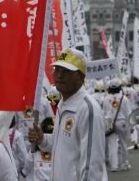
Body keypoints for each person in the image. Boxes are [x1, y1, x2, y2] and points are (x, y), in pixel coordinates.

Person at [28, 48, 108, 181]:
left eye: (67, 71)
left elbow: (92, 166)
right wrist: (42, 139)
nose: (59, 75)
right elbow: (60, 144)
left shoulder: (87, 109)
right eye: (57, 69)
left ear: (81, 77)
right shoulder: (63, 104)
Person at [102, 78, 132, 172]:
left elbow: (104, 112)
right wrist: (131, 125)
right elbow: (129, 113)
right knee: (123, 143)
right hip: (121, 121)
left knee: (112, 144)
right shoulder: (124, 98)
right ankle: (124, 164)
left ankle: (114, 166)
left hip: (109, 121)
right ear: (120, 87)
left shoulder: (106, 98)